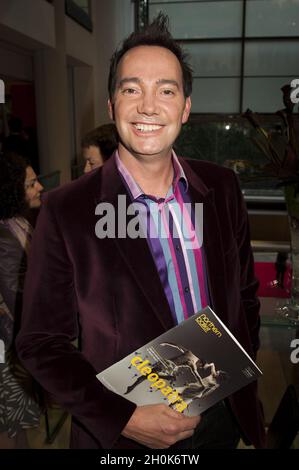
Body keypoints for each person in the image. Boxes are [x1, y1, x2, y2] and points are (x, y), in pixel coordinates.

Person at [16, 14, 265, 449]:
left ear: (185, 108)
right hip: (126, 436)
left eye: (166, 91)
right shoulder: (67, 211)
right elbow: (40, 343)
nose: (149, 106)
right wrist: (122, 417)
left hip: (222, 416)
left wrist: (236, 372)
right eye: (132, 89)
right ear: (112, 105)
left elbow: (245, 295)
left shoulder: (221, 188)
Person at [0, 152, 43, 448]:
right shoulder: (5, 236)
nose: (39, 187)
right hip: (7, 346)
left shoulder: (16, 223)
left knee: (16, 424)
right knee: (11, 426)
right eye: (30, 184)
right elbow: (19, 296)